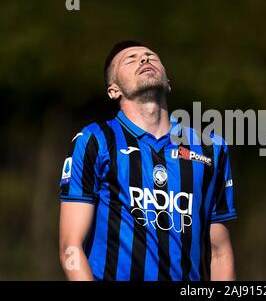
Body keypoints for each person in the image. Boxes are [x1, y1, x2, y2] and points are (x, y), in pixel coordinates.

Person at [58, 40, 237, 281]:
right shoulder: (95, 141)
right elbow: (70, 246)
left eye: (151, 56)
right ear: (114, 90)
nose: (144, 59)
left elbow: (220, 252)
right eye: (130, 59)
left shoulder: (211, 148)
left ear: (168, 82)